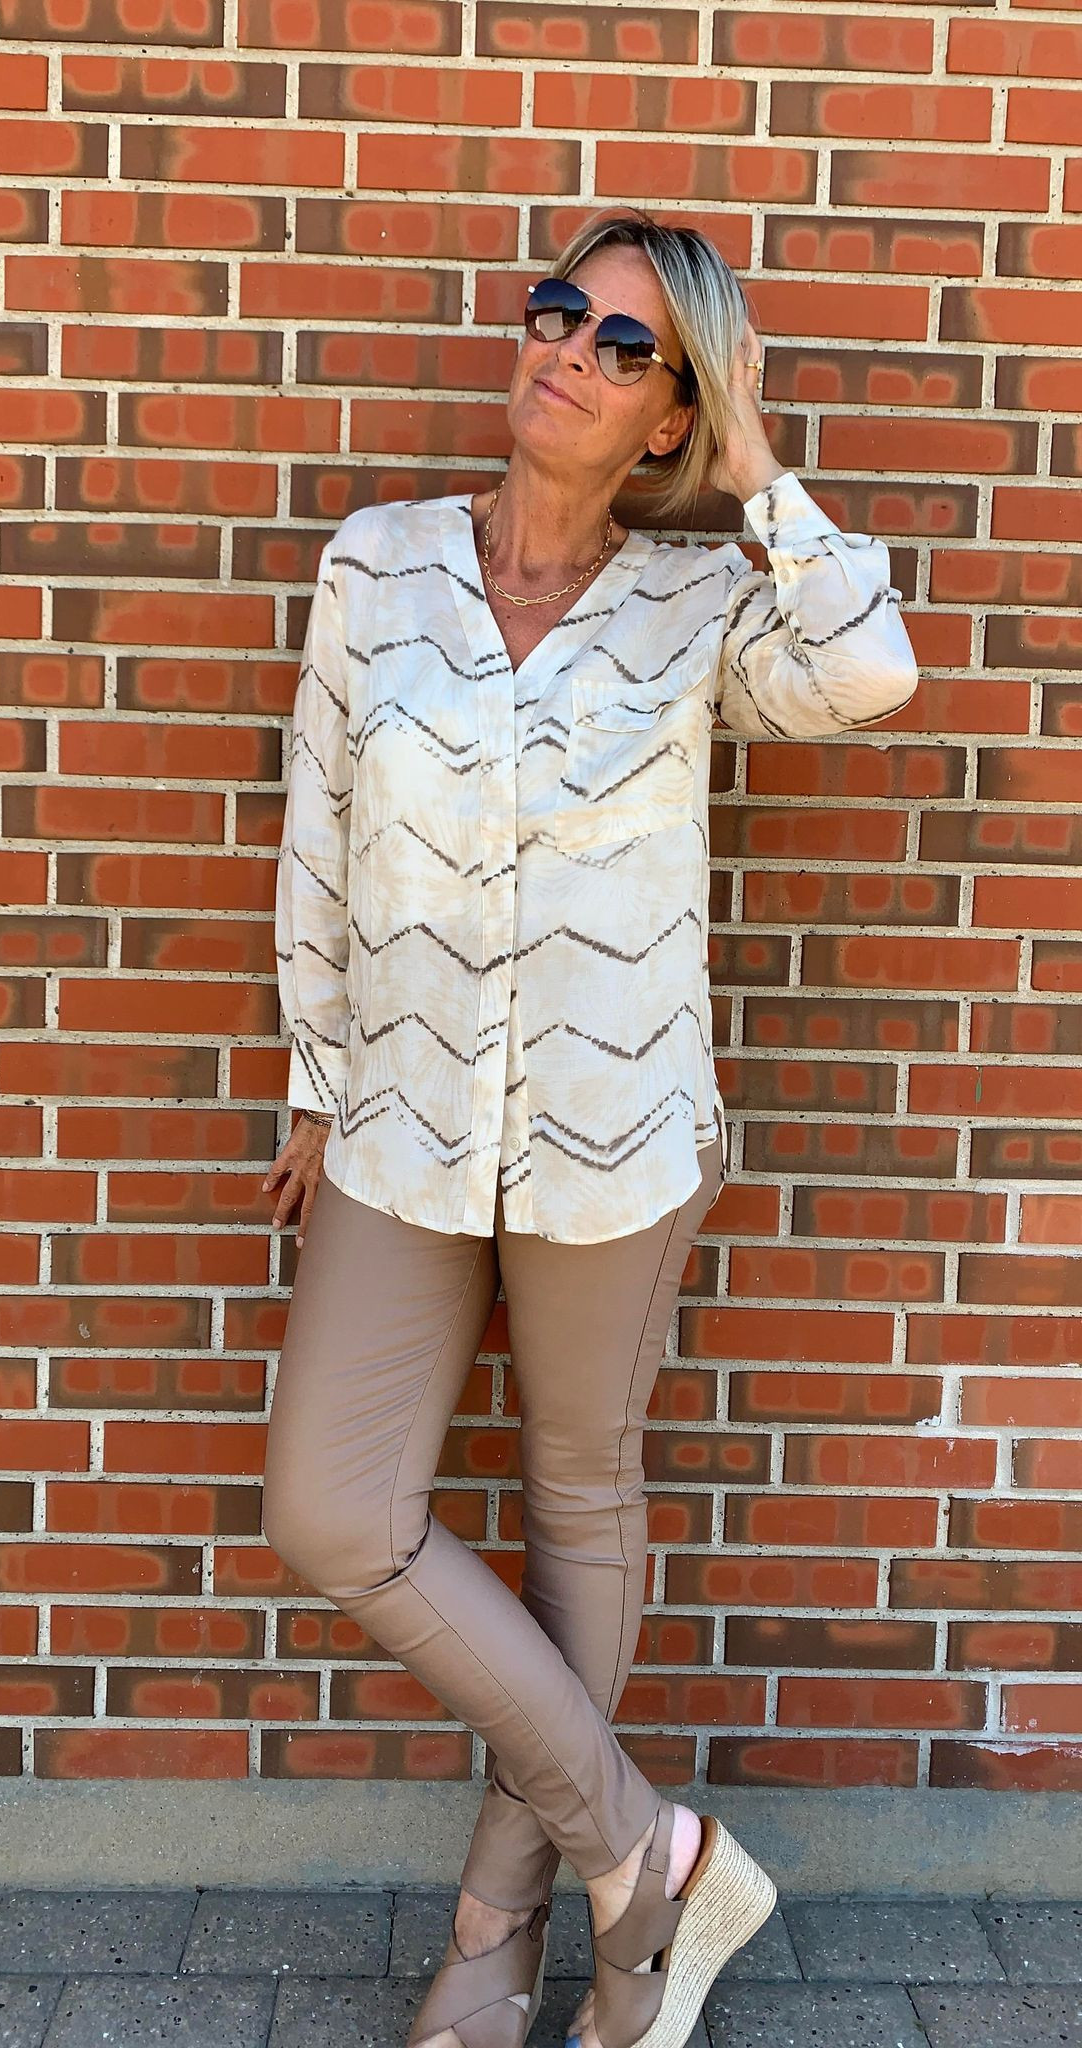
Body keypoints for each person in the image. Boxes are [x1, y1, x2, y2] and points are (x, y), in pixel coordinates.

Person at [260, 208, 918, 2048]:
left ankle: (507, 1941)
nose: (569, 350)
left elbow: (870, 670)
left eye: (629, 347)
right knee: (333, 1509)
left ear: (671, 417)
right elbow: (317, 838)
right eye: (560, 312)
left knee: (578, 1500)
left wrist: (759, 466)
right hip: (400, 1120)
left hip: (615, 1130)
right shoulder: (380, 566)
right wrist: (316, 1075)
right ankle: (657, 1858)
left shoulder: (697, 607)